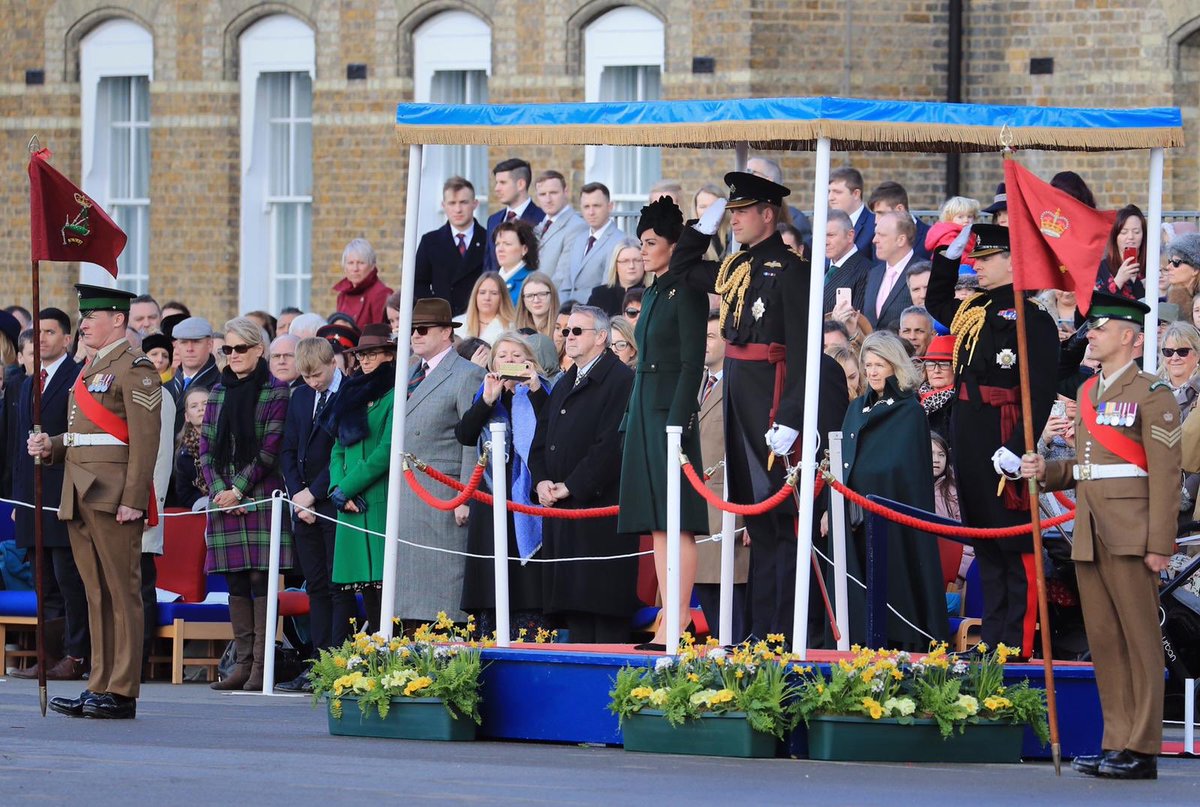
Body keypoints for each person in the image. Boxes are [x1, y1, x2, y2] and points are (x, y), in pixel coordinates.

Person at [674, 171, 842, 641]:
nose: (736, 220)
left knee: (782, 524)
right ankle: (761, 632)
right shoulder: (733, 268)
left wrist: (791, 416)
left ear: (768, 214)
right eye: (731, 212)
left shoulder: (793, 270)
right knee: (757, 522)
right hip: (739, 399)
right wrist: (700, 229)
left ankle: (783, 632)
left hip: (771, 399)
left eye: (742, 212)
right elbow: (683, 267)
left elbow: (806, 351)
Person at [1022, 293, 1180, 781]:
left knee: (1140, 642)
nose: (1091, 332)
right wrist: (1045, 469)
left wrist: (1159, 544)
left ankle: (1143, 746)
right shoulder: (1089, 393)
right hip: (1089, 530)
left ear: (1130, 338)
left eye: (1102, 327)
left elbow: (1165, 473)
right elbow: (1087, 468)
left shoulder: (1152, 392)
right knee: (1106, 642)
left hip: (1133, 534)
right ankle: (1116, 741)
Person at [925, 223, 1059, 655]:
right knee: (984, 535)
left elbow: (1037, 389)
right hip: (970, 429)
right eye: (975, 259)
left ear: (1012, 261)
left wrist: (1022, 445)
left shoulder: (1032, 317)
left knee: (1012, 539)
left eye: (986, 259)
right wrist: (947, 258)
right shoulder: (972, 309)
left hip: (1006, 428)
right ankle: (993, 636)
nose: (977, 266)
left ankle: (1015, 642)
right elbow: (937, 302)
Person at [28, 285, 161, 720]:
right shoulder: (90, 369)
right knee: (95, 594)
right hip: (79, 489)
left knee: (123, 594)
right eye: (83, 317)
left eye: (92, 316)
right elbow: (86, 435)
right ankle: (99, 683)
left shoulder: (136, 367)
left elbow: (145, 441)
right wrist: (53, 445)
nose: (83, 323)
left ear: (118, 320)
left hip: (112, 495)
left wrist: (134, 499)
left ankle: (122, 690)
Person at [616, 197, 709, 650]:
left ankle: (680, 620)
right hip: (646, 406)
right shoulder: (653, 290)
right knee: (656, 522)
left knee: (678, 522)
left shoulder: (687, 290)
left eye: (651, 243)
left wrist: (677, 422)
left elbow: (693, 364)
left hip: (670, 412)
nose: (643, 252)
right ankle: (668, 620)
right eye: (640, 243)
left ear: (674, 246)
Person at [528, 305, 636, 642]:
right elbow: (541, 439)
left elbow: (612, 444)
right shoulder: (565, 381)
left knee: (601, 615)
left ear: (601, 337)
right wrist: (541, 480)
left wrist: (572, 486)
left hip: (598, 512)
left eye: (577, 331)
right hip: (563, 512)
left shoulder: (621, 380)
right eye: (565, 331)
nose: (568, 337)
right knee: (575, 615)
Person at [199, 317, 293, 691]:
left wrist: (237, 491)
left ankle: (260, 666)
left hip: (259, 493)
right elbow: (205, 450)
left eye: (240, 349)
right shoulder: (218, 391)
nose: (233, 356)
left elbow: (270, 449)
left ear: (259, 350)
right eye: (227, 349)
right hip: (223, 497)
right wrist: (221, 493)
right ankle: (240, 664)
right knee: (235, 581)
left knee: (260, 579)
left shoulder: (277, 391)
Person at [839, 331, 948, 648]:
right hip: (853, 515)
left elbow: (904, 472)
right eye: (868, 365)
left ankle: (903, 642)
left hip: (893, 519)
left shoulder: (909, 412)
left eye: (879, 364)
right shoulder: (856, 408)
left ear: (895, 366)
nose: (872, 372)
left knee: (895, 586)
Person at [394, 299, 487, 627]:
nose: (415, 336)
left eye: (422, 329)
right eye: (411, 330)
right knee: (406, 592)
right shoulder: (406, 371)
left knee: (442, 591)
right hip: (408, 491)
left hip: (443, 494)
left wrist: (464, 494)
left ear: (447, 332)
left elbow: (472, 439)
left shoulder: (468, 374)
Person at [11, 307, 88, 681]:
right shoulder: (28, 382)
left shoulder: (78, 378)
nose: (41, 338)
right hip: (32, 498)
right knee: (43, 581)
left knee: (68, 578)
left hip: (65, 494)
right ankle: (48, 655)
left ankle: (75, 654)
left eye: (50, 332)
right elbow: (17, 446)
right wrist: (17, 499)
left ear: (67, 338)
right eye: (36, 332)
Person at [455, 332, 550, 638]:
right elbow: (465, 434)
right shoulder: (485, 393)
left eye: (516, 355)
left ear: (529, 361)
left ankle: (527, 633)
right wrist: (487, 399)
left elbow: (552, 427)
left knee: (525, 578)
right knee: (491, 572)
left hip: (527, 494)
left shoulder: (542, 391)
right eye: (503, 356)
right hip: (489, 492)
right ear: (493, 362)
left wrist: (533, 388)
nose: (509, 361)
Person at [275, 338, 355, 692]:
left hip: (332, 501)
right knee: (316, 587)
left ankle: (338, 662)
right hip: (303, 505)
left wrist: (313, 493)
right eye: (306, 377)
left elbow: (344, 452)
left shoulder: (349, 394)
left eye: (317, 375)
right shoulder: (301, 396)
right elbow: (289, 448)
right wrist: (297, 496)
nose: (313, 382)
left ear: (332, 363)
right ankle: (318, 662)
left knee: (340, 587)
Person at [322, 325, 396, 636]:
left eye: (372, 354)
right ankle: (368, 656)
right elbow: (337, 447)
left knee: (383, 582)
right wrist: (336, 489)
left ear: (389, 355)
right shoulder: (350, 393)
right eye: (361, 355)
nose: (365, 360)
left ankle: (385, 655)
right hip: (349, 501)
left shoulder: (395, 393)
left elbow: (386, 451)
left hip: (376, 495)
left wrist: (347, 487)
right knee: (362, 584)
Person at [693, 311, 748, 640]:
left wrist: (747, 516)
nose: (704, 343)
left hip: (728, 508)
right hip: (700, 510)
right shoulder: (697, 383)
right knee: (710, 601)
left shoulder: (740, 384)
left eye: (711, 337)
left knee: (734, 609)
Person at [415, 176, 487, 315]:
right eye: (452, 203)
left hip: (478, 318)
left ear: (475, 203)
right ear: (444, 206)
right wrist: (435, 310)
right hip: (443, 319)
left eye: (463, 202)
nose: (458, 209)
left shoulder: (489, 239)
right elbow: (418, 284)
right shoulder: (430, 242)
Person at [556, 182, 625, 304]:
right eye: (586, 207)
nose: (591, 212)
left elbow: (607, 288)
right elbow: (566, 283)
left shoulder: (619, 241)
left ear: (610, 206)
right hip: (567, 314)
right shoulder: (578, 239)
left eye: (596, 206)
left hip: (595, 314)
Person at [484, 157, 545, 274]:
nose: (496, 188)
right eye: (496, 183)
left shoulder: (542, 219)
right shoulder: (493, 220)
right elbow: (488, 266)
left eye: (503, 183)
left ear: (521, 184)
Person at [864, 211, 917, 330]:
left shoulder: (923, 272)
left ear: (901, 240)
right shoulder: (874, 273)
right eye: (875, 234)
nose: (874, 240)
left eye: (881, 235)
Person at [532, 170, 588, 283]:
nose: (548, 199)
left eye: (553, 193)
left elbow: (563, 276)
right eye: (542, 194)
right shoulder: (539, 226)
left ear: (565, 192)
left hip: (552, 297)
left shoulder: (577, 227)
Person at [746, 155, 812, 249]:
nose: (743, 177)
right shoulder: (741, 217)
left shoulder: (796, 219)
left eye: (749, 172)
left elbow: (802, 258)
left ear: (768, 181)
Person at [168, 316, 219, 422]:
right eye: (184, 342)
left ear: (210, 345)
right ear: (176, 346)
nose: (189, 349)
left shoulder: (221, 386)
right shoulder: (166, 386)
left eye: (196, 342)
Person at [333, 238, 393, 327]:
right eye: (350, 263)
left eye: (361, 263)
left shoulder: (381, 294)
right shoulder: (342, 295)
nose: (355, 268)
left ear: (372, 266)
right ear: (344, 267)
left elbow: (379, 335)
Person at [822, 209, 871, 314]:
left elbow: (858, 322)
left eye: (831, 235)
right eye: (821, 235)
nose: (825, 242)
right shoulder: (817, 268)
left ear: (850, 236)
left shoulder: (865, 271)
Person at [867, 180, 931, 260]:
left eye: (881, 213)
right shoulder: (877, 237)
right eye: (875, 214)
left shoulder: (929, 236)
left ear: (900, 209)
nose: (876, 220)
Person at [1095, 205, 1147, 301]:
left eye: (1136, 232)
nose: (1130, 237)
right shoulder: (1103, 267)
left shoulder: (1151, 266)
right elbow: (1100, 303)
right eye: (1124, 232)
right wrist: (1119, 280)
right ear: (1115, 236)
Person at [172, 385, 210, 511]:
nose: (201, 409)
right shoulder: (183, 454)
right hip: (203, 510)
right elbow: (185, 493)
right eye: (194, 406)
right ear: (187, 416)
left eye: (206, 403)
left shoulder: (231, 441)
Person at [587, 238, 648, 316]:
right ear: (615, 265)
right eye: (625, 261)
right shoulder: (599, 294)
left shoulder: (651, 294)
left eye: (637, 260)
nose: (631, 266)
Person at [456, 272, 516, 346]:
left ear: (502, 297)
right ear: (475, 295)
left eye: (494, 293)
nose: (487, 298)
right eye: (482, 292)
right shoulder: (457, 324)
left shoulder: (512, 327)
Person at [828, 166, 874, 261]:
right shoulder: (824, 224)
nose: (830, 197)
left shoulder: (874, 225)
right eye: (829, 192)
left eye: (837, 192)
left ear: (856, 194)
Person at [493, 219, 540, 305]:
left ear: (524, 249)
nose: (500, 249)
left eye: (507, 244)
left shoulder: (532, 282)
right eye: (497, 244)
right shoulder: (491, 280)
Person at [1158, 321, 1200, 419]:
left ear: (1197, 354)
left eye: (1182, 351)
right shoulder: (1150, 388)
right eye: (1169, 352)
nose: (1175, 357)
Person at [919, 334, 957, 438]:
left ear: (956, 368)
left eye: (944, 364)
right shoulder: (914, 399)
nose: (936, 370)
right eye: (931, 364)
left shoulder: (959, 405)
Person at [513, 271, 561, 341]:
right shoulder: (515, 331)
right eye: (529, 296)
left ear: (552, 295)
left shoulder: (562, 330)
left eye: (542, 294)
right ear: (523, 300)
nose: (536, 300)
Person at [1165, 232, 1200, 313]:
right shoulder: (1174, 297)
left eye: (1176, 262)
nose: (1168, 267)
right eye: (1169, 261)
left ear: (1195, 269)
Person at [693, 183, 730, 261]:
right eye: (703, 206)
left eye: (714, 206)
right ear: (695, 209)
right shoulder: (690, 241)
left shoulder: (733, 237)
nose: (708, 211)